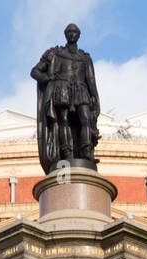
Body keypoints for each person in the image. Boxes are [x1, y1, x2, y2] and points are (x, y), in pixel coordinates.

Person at [31, 23, 100, 175]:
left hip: (81, 90)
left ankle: (86, 151)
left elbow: (91, 80)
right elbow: (35, 71)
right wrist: (47, 77)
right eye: (69, 32)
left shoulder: (85, 58)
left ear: (79, 35)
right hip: (61, 89)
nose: (72, 34)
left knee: (85, 119)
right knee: (64, 121)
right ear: (65, 34)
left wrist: (96, 100)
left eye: (74, 32)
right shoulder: (55, 53)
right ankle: (67, 153)